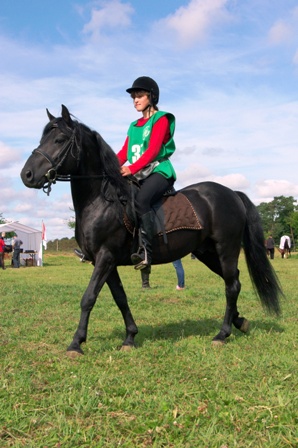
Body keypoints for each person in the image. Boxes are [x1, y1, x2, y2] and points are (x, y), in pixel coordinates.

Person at [117, 76, 176, 271]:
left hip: (159, 171)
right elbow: (124, 153)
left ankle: (146, 252)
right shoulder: (133, 126)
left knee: (141, 200)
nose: (135, 100)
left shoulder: (161, 119)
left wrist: (131, 168)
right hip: (138, 174)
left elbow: (152, 151)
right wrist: (109, 168)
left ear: (151, 96)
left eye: (139, 96)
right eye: (133, 97)